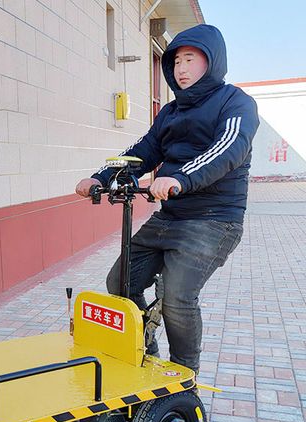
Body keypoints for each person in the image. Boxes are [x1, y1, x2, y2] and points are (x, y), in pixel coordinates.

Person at [75, 24, 259, 374]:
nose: (181, 69)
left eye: (190, 59)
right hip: (170, 216)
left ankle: (184, 375)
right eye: (175, 62)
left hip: (214, 219)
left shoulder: (236, 102)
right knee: (121, 282)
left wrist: (179, 178)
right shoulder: (170, 113)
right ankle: (146, 351)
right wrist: (101, 177)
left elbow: (228, 150)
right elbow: (142, 151)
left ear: (213, 61)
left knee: (177, 297)